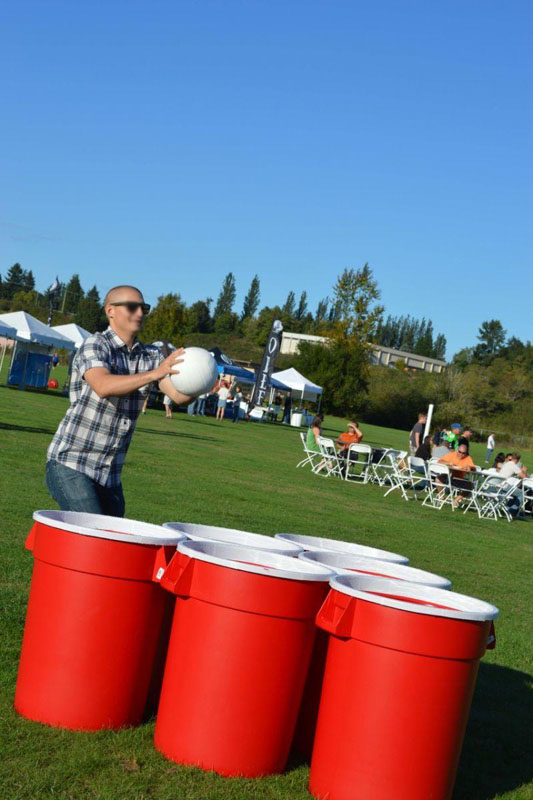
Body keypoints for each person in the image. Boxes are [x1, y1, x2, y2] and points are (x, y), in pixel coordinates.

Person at [45, 285, 193, 517]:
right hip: (72, 464)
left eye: (144, 308)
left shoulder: (151, 356)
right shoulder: (95, 344)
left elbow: (178, 396)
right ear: (110, 311)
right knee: (94, 537)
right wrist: (154, 374)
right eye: (132, 307)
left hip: (110, 475)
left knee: (114, 547)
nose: (140, 313)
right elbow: (103, 386)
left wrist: (200, 382)